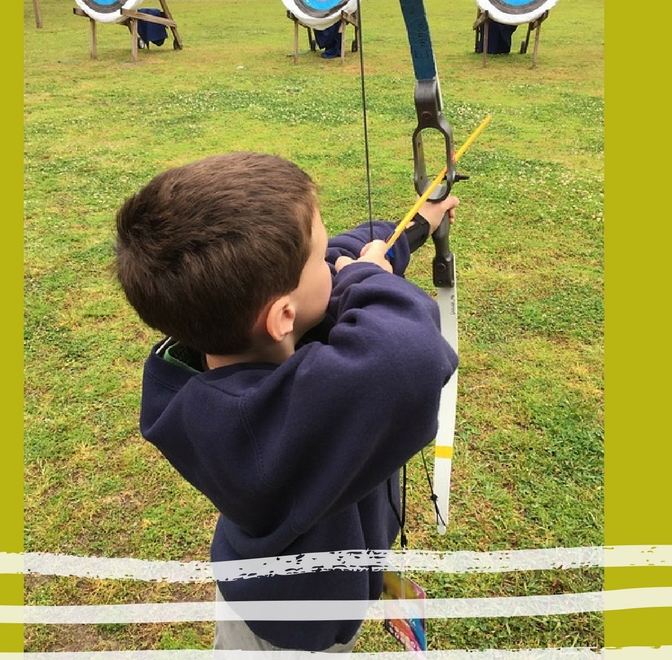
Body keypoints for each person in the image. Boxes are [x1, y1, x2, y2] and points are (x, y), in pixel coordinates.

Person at [114, 151, 459, 654]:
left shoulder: (200, 366)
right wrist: (366, 278)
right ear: (281, 317)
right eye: (319, 260)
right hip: (304, 628)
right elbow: (408, 353)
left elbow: (337, 263)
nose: (332, 264)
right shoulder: (293, 418)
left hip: (253, 592)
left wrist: (410, 228)